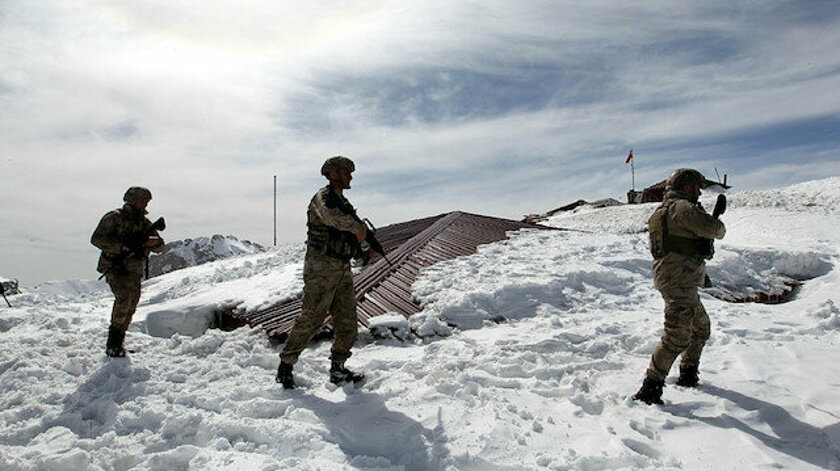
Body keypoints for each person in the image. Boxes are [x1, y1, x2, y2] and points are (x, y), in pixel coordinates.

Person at [276, 156, 370, 389]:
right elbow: (331, 217)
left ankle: (338, 368)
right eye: (346, 172)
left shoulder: (343, 203)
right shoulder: (323, 198)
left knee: (347, 322)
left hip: (342, 268)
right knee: (311, 318)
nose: (350, 177)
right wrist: (356, 228)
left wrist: (362, 249)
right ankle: (285, 366)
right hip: (321, 268)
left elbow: (347, 235)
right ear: (333, 174)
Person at [633, 168, 726, 405]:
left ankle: (688, 372)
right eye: (696, 188)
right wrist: (716, 222)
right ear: (686, 187)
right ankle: (650, 388)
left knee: (701, 328)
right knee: (676, 336)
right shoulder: (682, 208)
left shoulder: (662, 211)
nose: (699, 193)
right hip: (679, 281)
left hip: (678, 279)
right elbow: (715, 230)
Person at [91, 186, 165, 357]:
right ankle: (113, 344)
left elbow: (160, 247)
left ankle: (119, 342)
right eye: (141, 200)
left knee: (131, 305)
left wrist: (154, 243)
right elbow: (96, 239)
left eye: (146, 201)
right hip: (115, 266)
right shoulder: (114, 218)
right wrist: (121, 247)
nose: (144, 203)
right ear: (131, 199)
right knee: (123, 299)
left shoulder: (145, 223)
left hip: (133, 270)